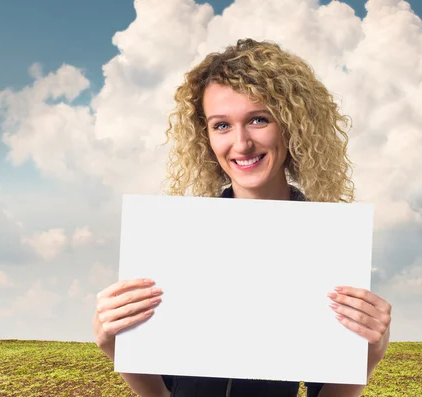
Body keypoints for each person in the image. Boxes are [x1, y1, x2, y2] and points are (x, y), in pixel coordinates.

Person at [93, 38, 392, 397]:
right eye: (221, 125)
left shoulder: (325, 244)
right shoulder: (177, 238)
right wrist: (114, 342)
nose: (241, 143)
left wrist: (368, 356)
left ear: (291, 125)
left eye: (258, 120)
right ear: (205, 136)